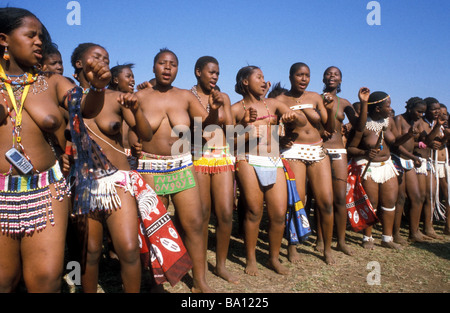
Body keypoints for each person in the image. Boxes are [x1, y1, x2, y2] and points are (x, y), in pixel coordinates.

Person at [0, 7, 110, 292]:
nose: (39, 42)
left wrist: (97, 89)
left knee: (46, 280)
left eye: (41, 37)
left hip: (46, 190)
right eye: (31, 35)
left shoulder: (52, 82)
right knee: (4, 280)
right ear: (4, 39)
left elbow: (84, 108)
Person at [129, 48, 220, 293]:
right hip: (150, 166)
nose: (167, 68)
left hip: (181, 165)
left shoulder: (186, 97)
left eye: (172, 64)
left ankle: (200, 281)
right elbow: (131, 128)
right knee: (151, 228)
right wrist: (133, 142)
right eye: (162, 63)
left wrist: (215, 110)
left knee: (194, 223)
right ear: (154, 67)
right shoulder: (142, 97)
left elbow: (207, 127)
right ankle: (154, 281)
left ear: (178, 69)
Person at [69, 43, 151, 293]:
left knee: (127, 248)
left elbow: (145, 134)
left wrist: (136, 109)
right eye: (96, 57)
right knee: (91, 251)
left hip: (118, 180)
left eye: (106, 58)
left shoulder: (117, 98)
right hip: (85, 182)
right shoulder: (66, 96)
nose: (103, 61)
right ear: (79, 64)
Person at [231, 65, 306, 275]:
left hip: (273, 160)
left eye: (264, 77)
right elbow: (226, 141)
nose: (264, 81)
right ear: (246, 81)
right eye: (259, 77)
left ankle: (273, 259)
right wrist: (246, 132)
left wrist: (293, 117)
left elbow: (302, 121)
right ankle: (251, 259)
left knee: (279, 214)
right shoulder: (236, 109)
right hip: (247, 160)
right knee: (254, 211)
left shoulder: (273, 104)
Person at [275, 62, 336, 264]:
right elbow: (272, 126)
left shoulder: (315, 97)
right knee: (297, 202)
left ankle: (327, 248)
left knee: (326, 201)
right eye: (300, 75)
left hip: (317, 150)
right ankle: (292, 247)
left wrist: (330, 107)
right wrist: (280, 139)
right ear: (291, 76)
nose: (303, 79)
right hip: (293, 151)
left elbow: (329, 126)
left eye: (307, 75)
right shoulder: (280, 99)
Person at [189, 56, 238, 283]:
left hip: (222, 156)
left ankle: (220, 265)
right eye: (211, 72)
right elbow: (198, 131)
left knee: (226, 213)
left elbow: (229, 130)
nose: (215, 76)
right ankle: (199, 266)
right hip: (198, 156)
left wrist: (223, 104)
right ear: (199, 72)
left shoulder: (223, 96)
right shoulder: (188, 97)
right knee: (202, 214)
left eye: (217, 73)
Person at [347, 91, 416, 250]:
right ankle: (368, 237)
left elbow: (396, 143)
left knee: (390, 202)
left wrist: (409, 135)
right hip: (368, 166)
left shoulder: (389, 121)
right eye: (388, 106)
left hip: (387, 165)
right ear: (377, 109)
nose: (391, 108)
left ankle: (387, 238)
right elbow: (350, 148)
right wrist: (365, 152)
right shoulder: (362, 125)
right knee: (372, 202)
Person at [320, 66, 365, 256]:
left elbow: (359, 126)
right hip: (319, 150)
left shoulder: (344, 102)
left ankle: (341, 241)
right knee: (321, 199)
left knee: (339, 199)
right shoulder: (316, 98)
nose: (332, 76)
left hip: (338, 151)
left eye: (336, 74)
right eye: (329, 73)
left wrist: (363, 103)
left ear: (340, 80)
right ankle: (321, 239)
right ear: (323, 77)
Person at [391, 97, 430, 243]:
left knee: (417, 196)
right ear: (410, 108)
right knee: (400, 198)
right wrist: (412, 157)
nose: (421, 115)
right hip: (397, 159)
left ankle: (414, 232)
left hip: (409, 160)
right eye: (419, 111)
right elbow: (396, 144)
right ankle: (395, 233)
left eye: (423, 112)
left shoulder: (418, 122)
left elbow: (426, 140)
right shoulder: (398, 120)